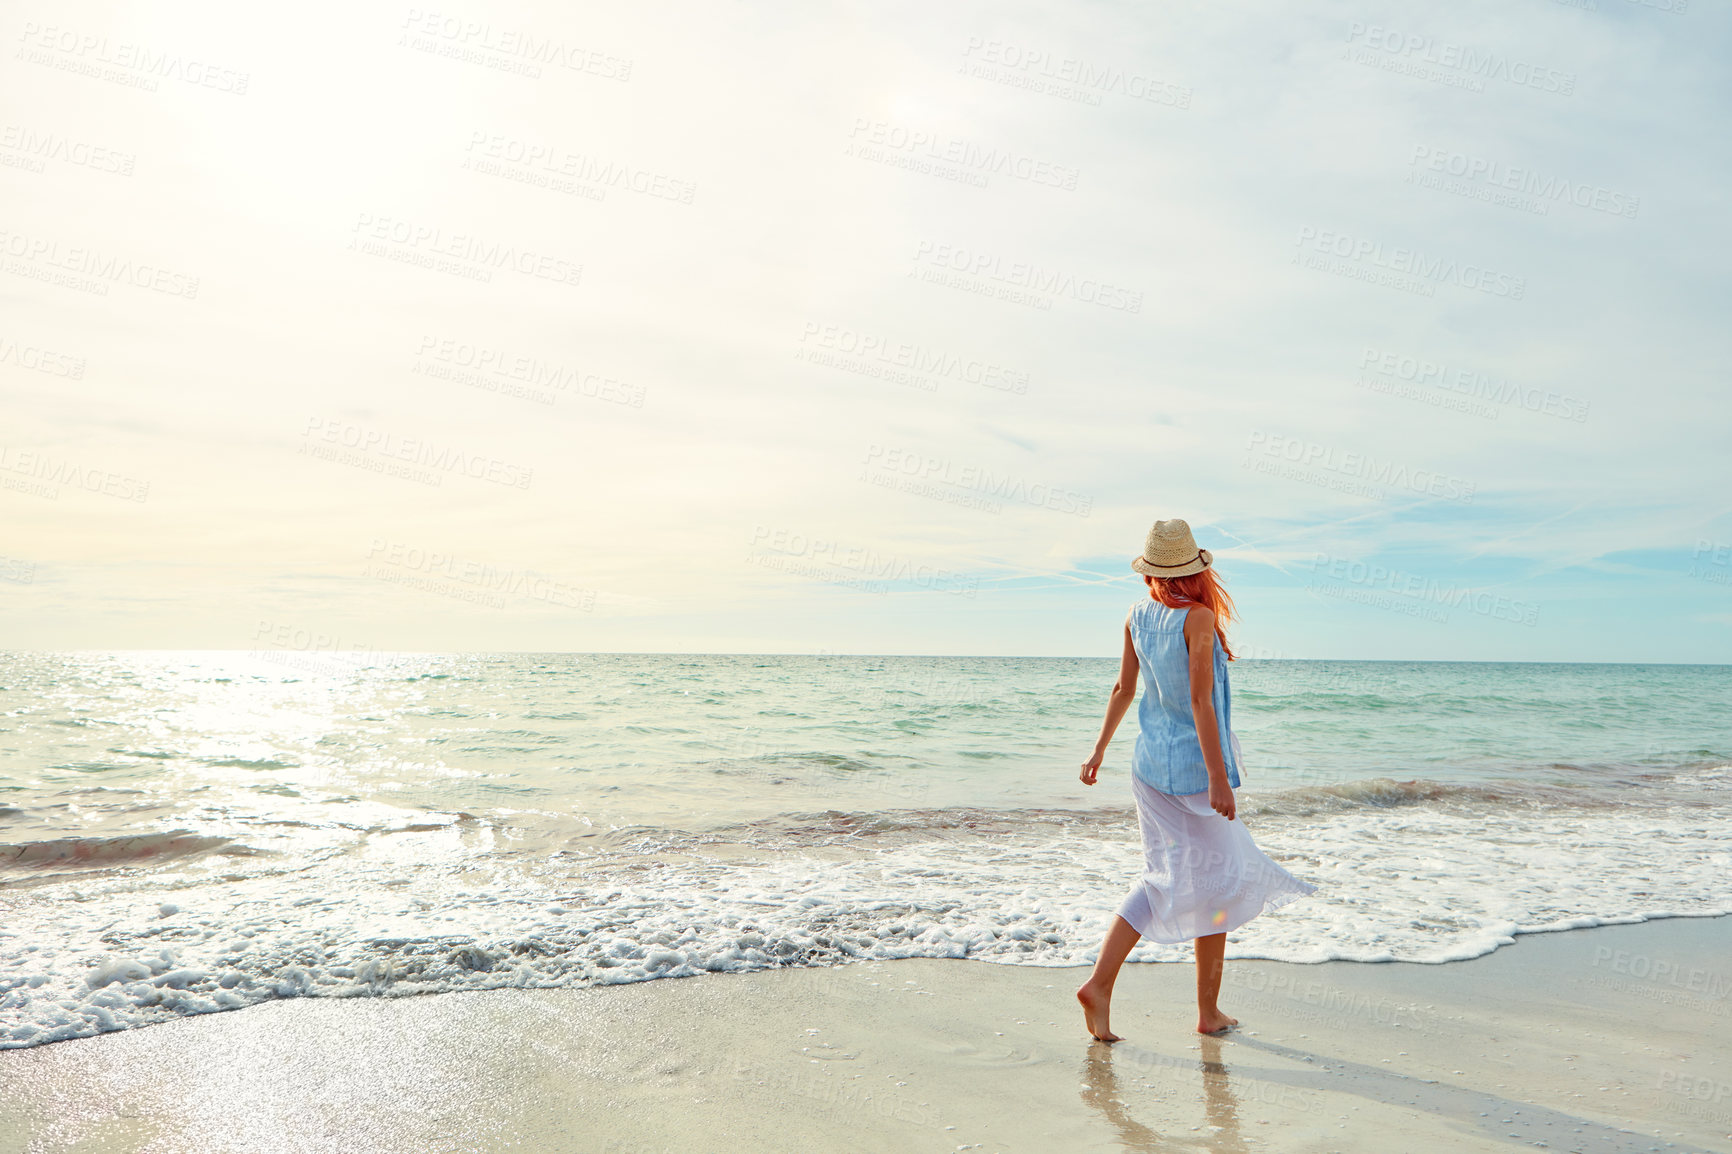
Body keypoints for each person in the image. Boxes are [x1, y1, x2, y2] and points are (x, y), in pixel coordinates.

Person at [1076, 518, 1318, 1040]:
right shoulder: (1198, 617)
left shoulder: (1136, 615)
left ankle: (1107, 987)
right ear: (1195, 571)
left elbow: (1122, 688)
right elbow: (1200, 700)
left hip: (1148, 770)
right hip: (1192, 775)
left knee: (1165, 877)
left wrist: (1097, 752)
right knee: (1222, 886)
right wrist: (1218, 779)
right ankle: (1203, 1012)